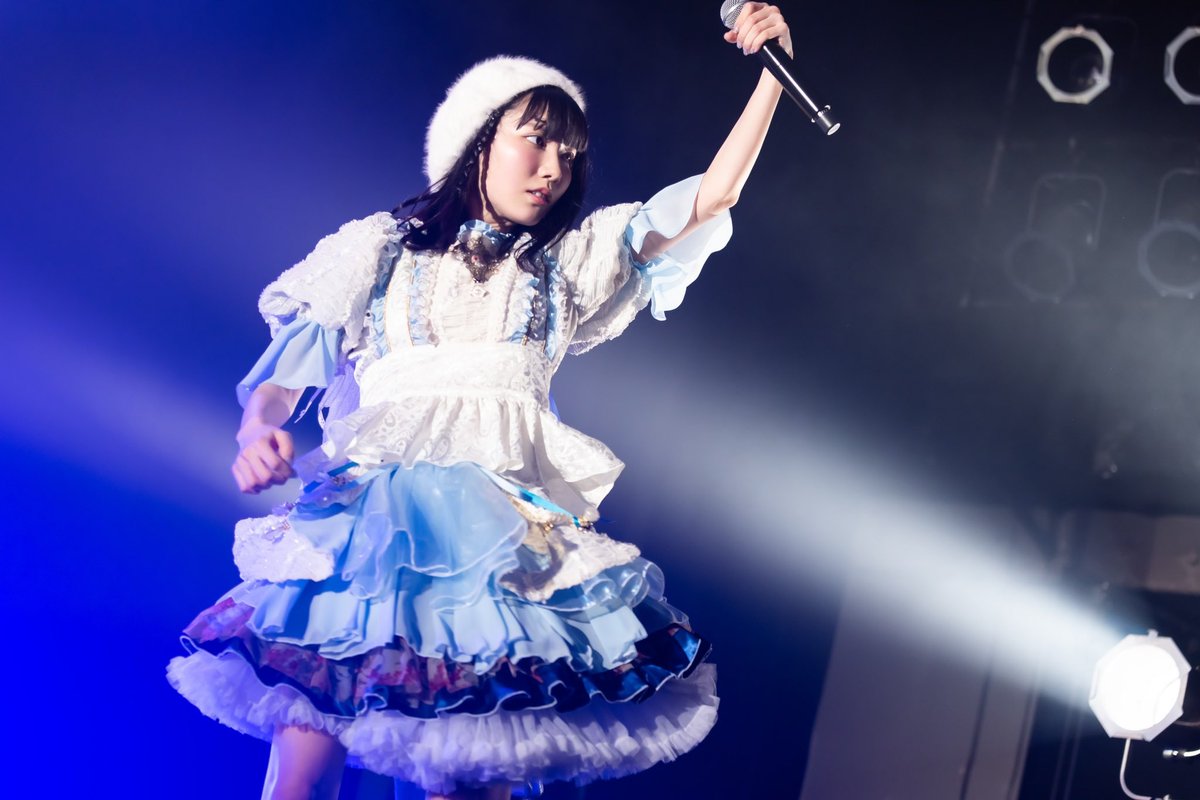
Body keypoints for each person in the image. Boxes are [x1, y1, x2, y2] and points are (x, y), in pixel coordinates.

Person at [168, 4, 794, 799]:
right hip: (372, 531)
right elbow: (285, 373)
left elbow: (709, 199)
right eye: (535, 140)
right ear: (478, 141)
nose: (553, 168)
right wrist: (256, 431)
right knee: (306, 755)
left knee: (472, 772)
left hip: (501, 545)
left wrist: (775, 73)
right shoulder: (380, 249)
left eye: (569, 154)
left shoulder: (569, 265)